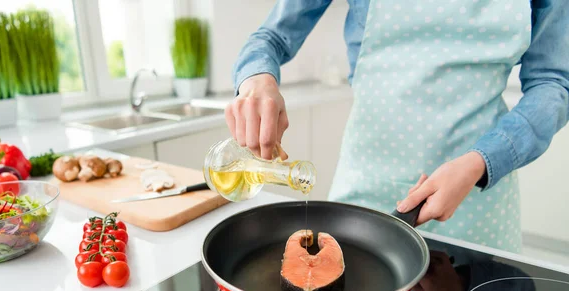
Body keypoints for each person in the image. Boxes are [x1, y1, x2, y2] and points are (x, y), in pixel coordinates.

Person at [224, 0, 569, 254]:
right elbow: (271, 37)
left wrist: (480, 162)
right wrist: (257, 80)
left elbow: (553, 84)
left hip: (478, 200)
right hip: (364, 199)